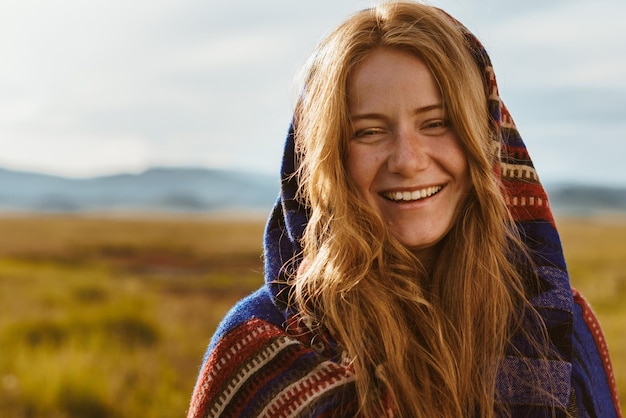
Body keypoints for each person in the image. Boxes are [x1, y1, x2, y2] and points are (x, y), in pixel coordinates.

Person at [188, 2, 621, 417]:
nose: (408, 160)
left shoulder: (559, 325)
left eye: (436, 123)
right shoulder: (261, 346)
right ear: (326, 158)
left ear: (485, 137)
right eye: (369, 131)